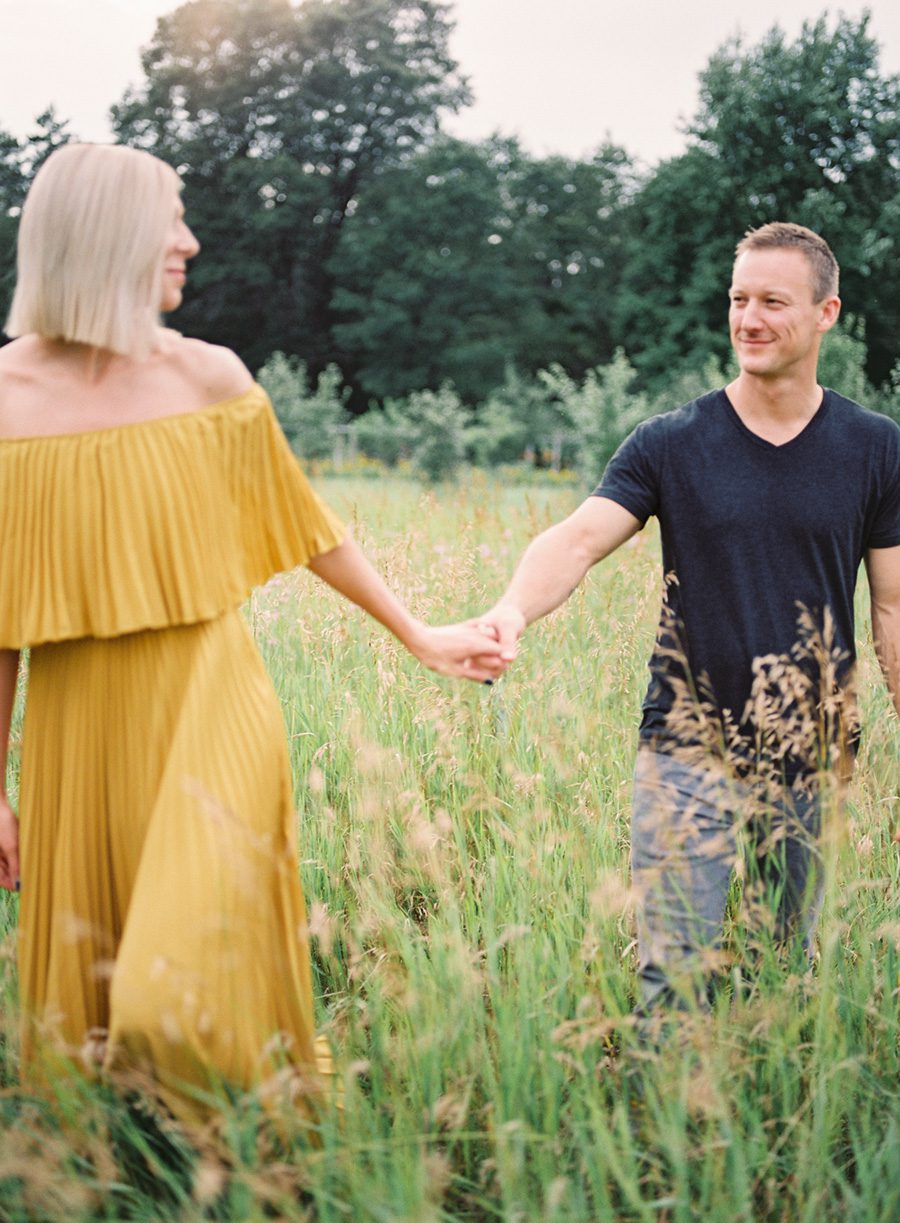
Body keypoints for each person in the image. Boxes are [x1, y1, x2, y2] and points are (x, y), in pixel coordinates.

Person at [0, 142, 502, 1120]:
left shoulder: (210, 378)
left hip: (210, 707)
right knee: (87, 1017)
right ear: (103, 238)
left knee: (167, 990)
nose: (189, 240)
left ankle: (261, 1140)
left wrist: (419, 633)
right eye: (169, 221)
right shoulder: (3, 404)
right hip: (75, 730)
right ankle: (151, 1168)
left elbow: (309, 528)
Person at [479, 222, 900, 1012]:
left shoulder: (877, 449)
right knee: (671, 980)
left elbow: (893, 606)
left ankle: (771, 1126)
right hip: (684, 746)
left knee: (793, 973)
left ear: (826, 313)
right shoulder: (669, 443)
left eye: (774, 301)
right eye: (739, 299)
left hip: (813, 752)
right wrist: (511, 609)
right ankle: (666, 1125)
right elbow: (576, 539)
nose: (749, 318)